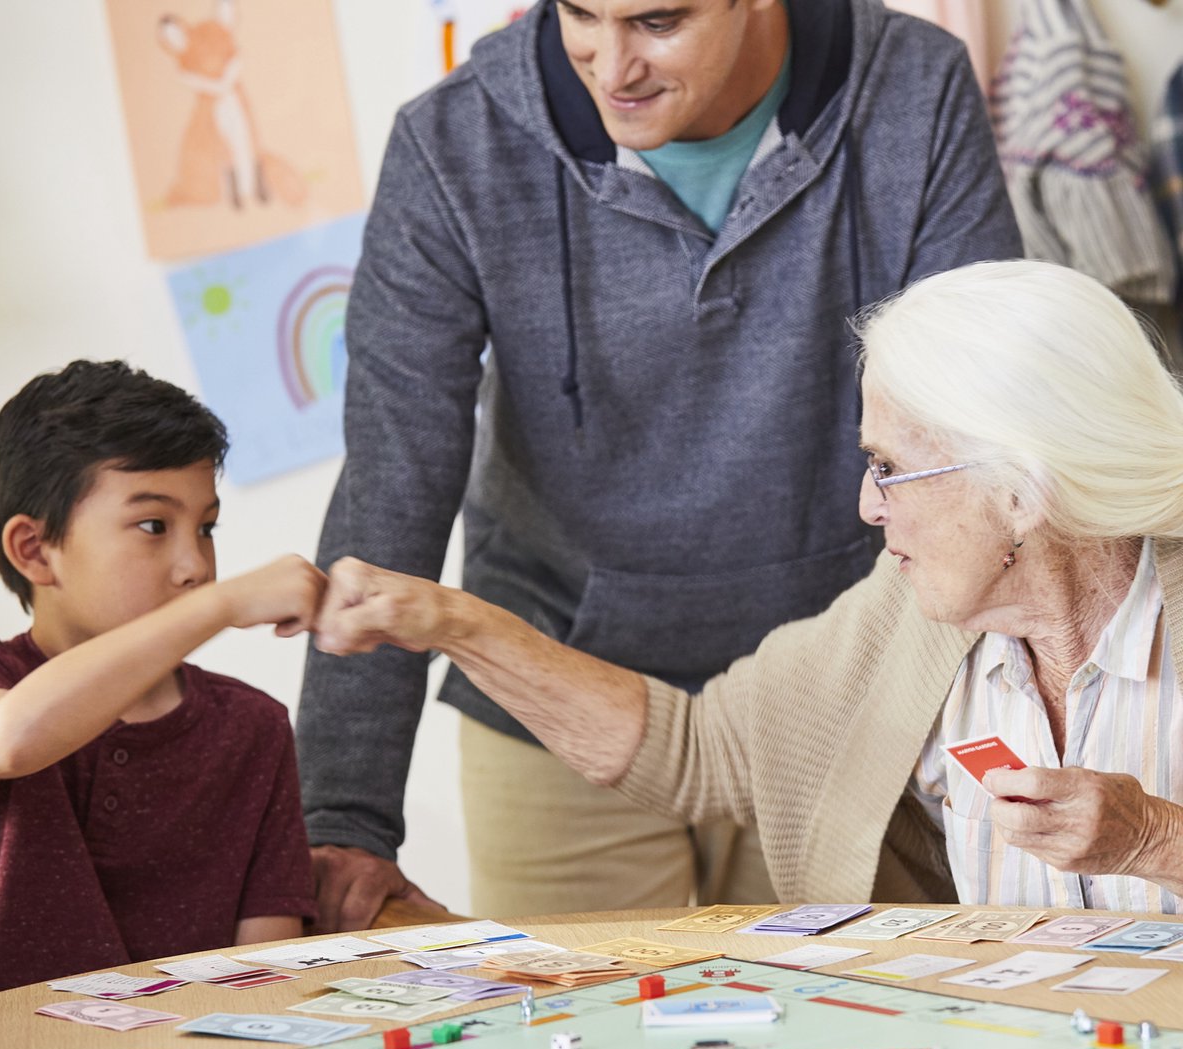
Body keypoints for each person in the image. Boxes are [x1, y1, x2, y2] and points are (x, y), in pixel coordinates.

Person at [298, 0, 1023, 929]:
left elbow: (975, 428)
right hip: (555, 688)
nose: (611, 67)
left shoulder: (913, 87)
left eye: (657, 22)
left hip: (837, 687)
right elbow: (394, 468)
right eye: (581, 15)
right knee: (560, 1016)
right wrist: (343, 816)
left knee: (850, 1012)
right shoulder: (454, 142)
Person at [312, 259, 1183, 913]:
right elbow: (694, 749)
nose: (867, 505)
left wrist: (1152, 837)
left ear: (1019, 491)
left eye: (889, 468)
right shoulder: (914, 622)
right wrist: (453, 623)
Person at [0, 360, 326, 994]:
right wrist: (221, 605)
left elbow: (267, 977)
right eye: (153, 526)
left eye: (206, 528)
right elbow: (9, 739)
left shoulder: (253, 726)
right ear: (34, 550)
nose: (196, 565)